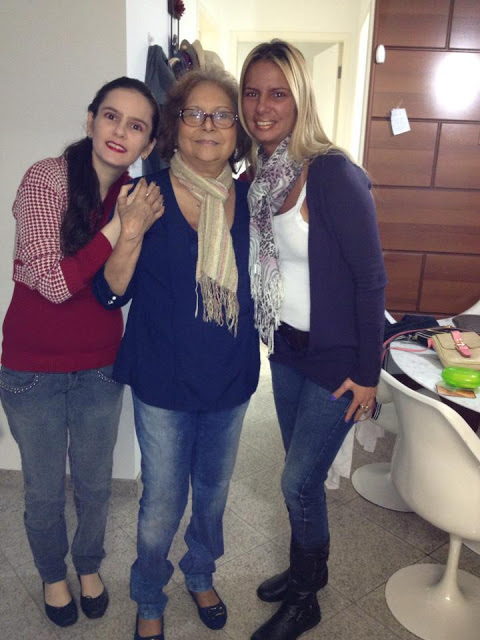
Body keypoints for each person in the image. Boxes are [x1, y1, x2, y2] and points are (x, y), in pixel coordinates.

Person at [93, 67, 260, 640]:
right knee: (162, 502)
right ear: (175, 126)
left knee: (212, 496)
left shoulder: (252, 201)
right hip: (163, 381)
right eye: (194, 114)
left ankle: (200, 571)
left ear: (236, 130)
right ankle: (148, 592)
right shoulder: (146, 195)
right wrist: (131, 232)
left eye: (221, 115)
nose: (208, 126)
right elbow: (110, 292)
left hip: (230, 377)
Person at [0, 77, 163, 628]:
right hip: (31, 369)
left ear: (147, 143)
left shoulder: (140, 196)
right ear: (91, 119)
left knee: (95, 484)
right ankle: (53, 574)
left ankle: (88, 565)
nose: (120, 131)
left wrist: (131, 225)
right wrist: (120, 227)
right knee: (45, 491)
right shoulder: (46, 178)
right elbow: (52, 282)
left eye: (136, 126)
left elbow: (123, 284)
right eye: (111, 116)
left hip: (99, 365)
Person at [238, 40, 387, 640]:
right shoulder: (258, 180)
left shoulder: (332, 174)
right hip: (287, 353)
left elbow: (371, 279)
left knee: (297, 481)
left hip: (337, 361)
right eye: (252, 93)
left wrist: (369, 376)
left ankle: (306, 599)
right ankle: (306, 570)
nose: (263, 107)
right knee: (300, 474)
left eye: (278, 93)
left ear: (300, 99)